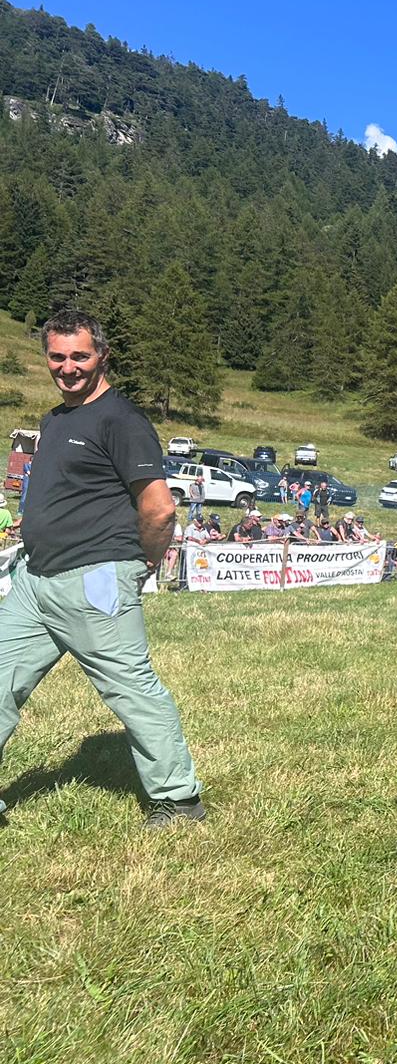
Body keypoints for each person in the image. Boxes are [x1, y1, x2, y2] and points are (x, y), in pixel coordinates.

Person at [0, 310, 204, 827]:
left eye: (80, 356)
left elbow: (159, 507)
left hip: (94, 579)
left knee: (130, 689)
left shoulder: (121, 420)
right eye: (57, 356)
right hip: (33, 580)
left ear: (102, 356)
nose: (67, 367)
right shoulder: (55, 419)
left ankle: (177, 798)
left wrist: (138, 566)